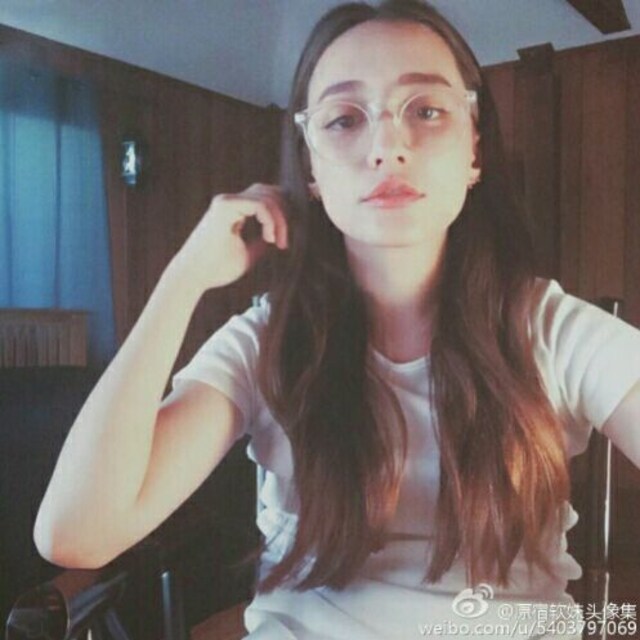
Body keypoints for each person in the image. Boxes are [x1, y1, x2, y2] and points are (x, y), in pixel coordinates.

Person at [34, 1, 640, 638]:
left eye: (426, 111)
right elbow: (77, 534)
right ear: (312, 170)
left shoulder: (552, 331)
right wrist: (182, 279)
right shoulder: (266, 342)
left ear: (474, 150)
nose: (387, 148)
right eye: (345, 119)